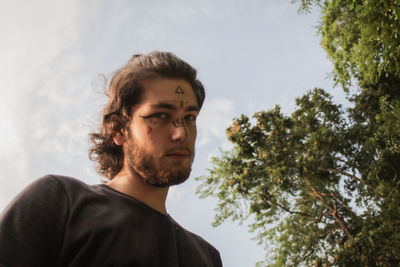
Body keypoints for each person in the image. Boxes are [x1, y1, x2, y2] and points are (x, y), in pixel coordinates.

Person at [0, 51, 223, 267]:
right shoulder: (61, 202)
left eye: (189, 118)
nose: (181, 134)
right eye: (160, 116)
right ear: (118, 129)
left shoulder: (208, 257)